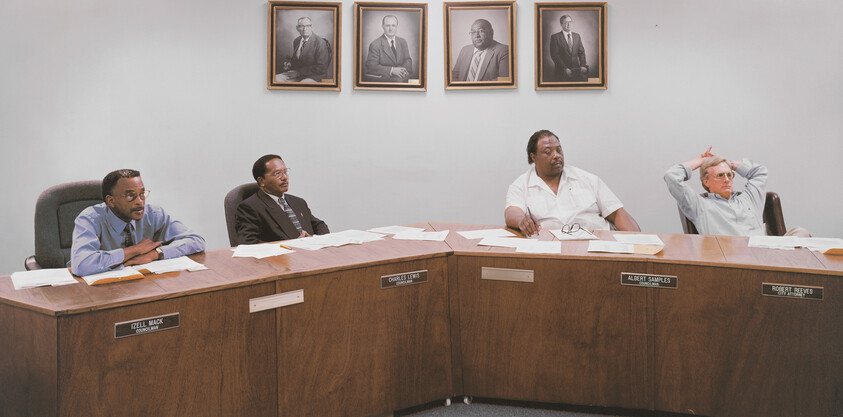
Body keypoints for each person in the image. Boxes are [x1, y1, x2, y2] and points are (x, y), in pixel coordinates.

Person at [69, 169, 206, 276]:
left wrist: (155, 254)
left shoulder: (153, 214)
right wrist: (135, 250)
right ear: (111, 201)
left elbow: (196, 241)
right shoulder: (90, 219)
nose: (140, 202)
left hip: (142, 286)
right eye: (130, 196)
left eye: (142, 194)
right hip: (95, 292)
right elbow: (82, 264)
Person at [505, 129, 640, 236]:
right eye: (548, 152)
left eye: (559, 150)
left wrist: (640, 244)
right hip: (548, 249)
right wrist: (522, 221)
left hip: (595, 245)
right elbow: (512, 213)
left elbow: (617, 214)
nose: (556, 155)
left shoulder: (588, 179)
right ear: (533, 157)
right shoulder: (521, 185)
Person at [664, 147, 772, 236]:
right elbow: (671, 176)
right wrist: (700, 161)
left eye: (729, 175)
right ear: (706, 182)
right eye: (720, 175)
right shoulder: (700, 206)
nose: (726, 180)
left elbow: (760, 172)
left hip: (763, 257)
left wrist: (728, 163)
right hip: (729, 258)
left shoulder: (750, 199)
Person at [235, 154, 329, 244]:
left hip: (309, 255)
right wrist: (292, 245)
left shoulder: (299, 202)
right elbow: (249, 243)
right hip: (281, 259)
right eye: (277, 173)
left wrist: (315, 240)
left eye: (285, 172)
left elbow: (320, 226)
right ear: (261, 181)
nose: (285, 177)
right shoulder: (250, 207)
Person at [275, 17, 332, 82]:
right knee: (276, 78)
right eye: (301, 26)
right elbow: (298, 60)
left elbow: (321, 67)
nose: (305, 29)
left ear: (311, 27)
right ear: (297, 28)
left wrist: (299, 73)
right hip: (298, 74)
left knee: (302, 84)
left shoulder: (320, 42)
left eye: (308, 26)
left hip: (314, 76)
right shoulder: (296, 41)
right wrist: (289, 64)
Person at [365, 15, 413, 82]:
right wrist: (392, 70)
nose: (391, 29)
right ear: (382, 26)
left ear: (397, 27)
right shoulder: (375, 44)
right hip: (385, 81)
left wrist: (403, 70)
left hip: (402, 79)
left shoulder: (403, 42)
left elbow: (408, 60)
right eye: (387, 25)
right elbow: (371, 66)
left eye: (393, 25)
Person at [549, 15, 588, 82]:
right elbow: (555, 55)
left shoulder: (577, 36)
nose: (568, 24)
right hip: (561, 72)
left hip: (576, 71)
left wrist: (583, 65)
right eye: (566, 22)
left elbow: (581, 52)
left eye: (570, 22)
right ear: (561, 24)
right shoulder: (555, 37)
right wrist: (565, 68)